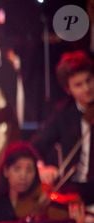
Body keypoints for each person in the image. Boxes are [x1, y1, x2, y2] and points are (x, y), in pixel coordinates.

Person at [32, 50, 94, 206]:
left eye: (89, 80)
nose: (87, 88)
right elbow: (36, 146)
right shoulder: (63, 113)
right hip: (73, 188)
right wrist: (43, 168)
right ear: (68, 90)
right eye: (78, 85)